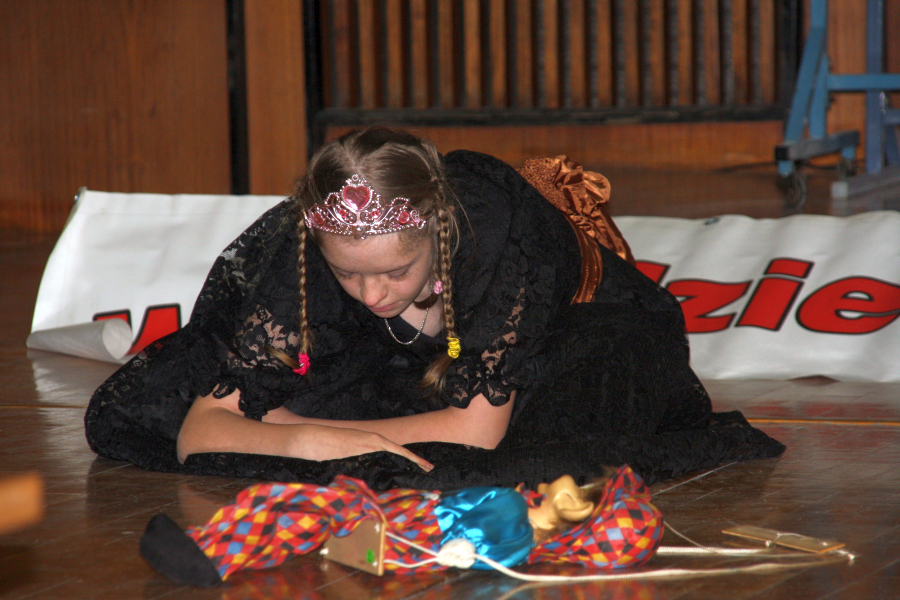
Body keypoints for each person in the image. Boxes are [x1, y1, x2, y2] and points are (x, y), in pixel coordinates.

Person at [85, 127, 784, 490]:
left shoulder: (491, 228)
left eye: (395, 271)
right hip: (404, 363)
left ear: (438, 234)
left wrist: (310, 428)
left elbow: (474, 434)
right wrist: (304, 442)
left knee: (553, 449)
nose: (371, 295)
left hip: (573, 336)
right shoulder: (302, 245)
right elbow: (201, 433)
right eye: (347, 274)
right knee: (161, 399)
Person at [138, 465, 662, 586]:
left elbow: (458, 523)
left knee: (291, 502)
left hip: (397, 528)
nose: (573, 484)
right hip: (397, 527)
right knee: (304, 520)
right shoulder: (520, 525)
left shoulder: (511, 514)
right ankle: (211, 551)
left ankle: (211, 553)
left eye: (584, 493)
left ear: (573, 510)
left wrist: (458, 543)